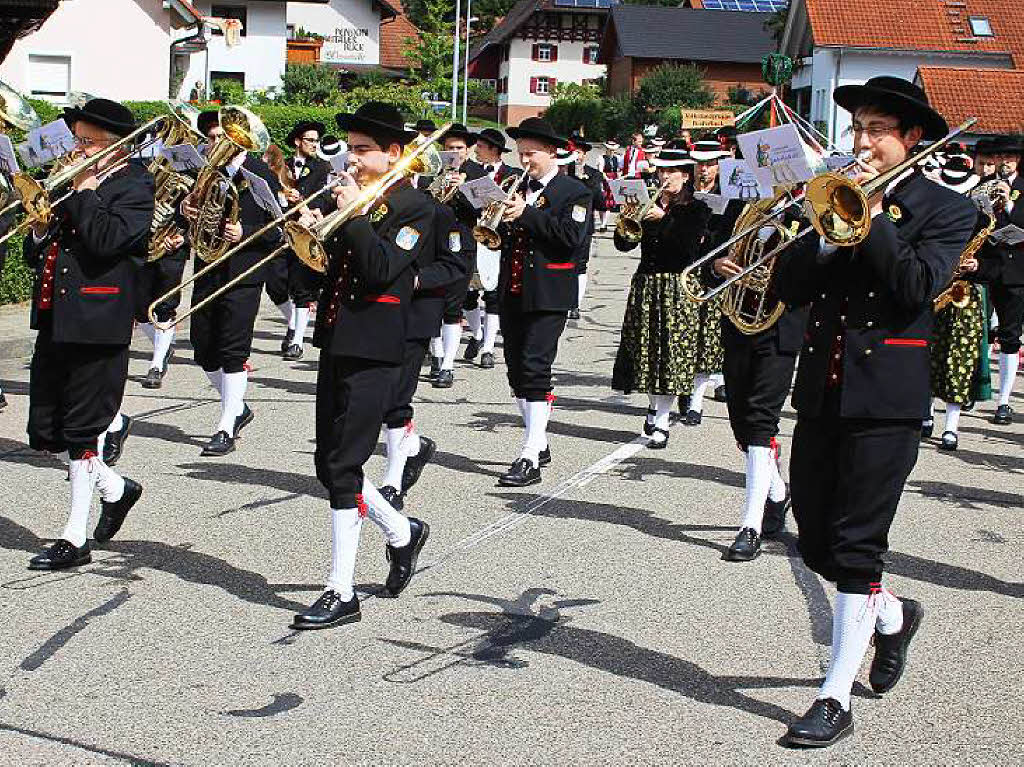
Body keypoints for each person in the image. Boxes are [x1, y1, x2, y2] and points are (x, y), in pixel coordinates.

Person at [772, 76, 976, 747]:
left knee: (858, 545)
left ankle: (833, 694)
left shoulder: (945, 209)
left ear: (910, 139)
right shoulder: (831, 195)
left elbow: (918, 284)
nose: (861, 142)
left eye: (876, 130)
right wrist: (827, 233)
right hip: (822, 391)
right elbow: (787, 284)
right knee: (816, 540)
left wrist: (870, 217)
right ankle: (891, 615)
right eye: (857, 128)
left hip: (886, 398)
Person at [294, 102, 433, 630]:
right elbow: (325, 273)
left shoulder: (415, 208)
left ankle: (341, 590)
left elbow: (379, 270)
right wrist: (310, 235)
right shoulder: (357, 200)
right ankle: (401, 532)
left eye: (361, 150)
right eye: (349, 149)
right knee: (329, 463)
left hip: (376, 346)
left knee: (345, 463)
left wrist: (351, 215)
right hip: (337, 338)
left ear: (393, 153)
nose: (350, 160)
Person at [24, 98, 153, 570]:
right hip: (57, 317)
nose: (75, 150)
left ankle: (74, 537)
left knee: (81, 431)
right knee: (46, 431)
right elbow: (36, 251)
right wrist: (39, 229)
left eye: (85, 142)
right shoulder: (77, 184)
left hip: (99, 323)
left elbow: (105, 241)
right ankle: (116, 489)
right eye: (75, 140)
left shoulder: (136, 186)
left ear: (114, 146)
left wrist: (83, 190)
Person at [493, 117, 591, 487]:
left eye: (531, 154)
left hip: (549, 291)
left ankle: (530, 454)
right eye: (521, 154)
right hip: (513, 288)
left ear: (551, 152)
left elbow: (571, 236)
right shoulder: (516, 186)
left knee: (535, 367)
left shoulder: (574, 191)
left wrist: (528, 214)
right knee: (516, 369)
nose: (525, 161)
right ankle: (540, 439)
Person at [709, 199, 809, 560]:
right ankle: (777, 492)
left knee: (759, 422)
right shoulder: (742, 207)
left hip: (780, 328)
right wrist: (717, 266)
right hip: (739, 324)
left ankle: (749, 526)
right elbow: (711, 255)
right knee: (741, 425)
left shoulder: (811, 212)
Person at [183, 110, 283, 457]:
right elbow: (193, 223)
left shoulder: (259, 175)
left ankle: (226, 425)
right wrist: (187, 211)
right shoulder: (203, 175)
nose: (212, 145)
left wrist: (246, 233)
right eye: (210, 139)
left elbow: (281, 231)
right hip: (208, 267)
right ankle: (237, 407)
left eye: (218, 139)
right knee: (203, 346)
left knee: (232, 348)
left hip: (243, 272)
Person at [611, 143, 711, 449]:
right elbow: (624, 246)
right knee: (647, 353)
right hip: (646, 285)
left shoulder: (697, 209)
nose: (665, 177)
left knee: (669, 356)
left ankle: (662, 419)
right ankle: (654, 408)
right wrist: (627, 221)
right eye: (662, 171)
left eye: (671, 172)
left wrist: (663, 219)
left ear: (684, 175)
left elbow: (689, 248)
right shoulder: (647, 203)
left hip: (677, 287)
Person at [378, 196, 467, 510]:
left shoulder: (438, 212)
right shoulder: (366, 203)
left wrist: (417, 279)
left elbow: (455, 262)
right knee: (373, 398)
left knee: (396, 399)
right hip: (367, 315)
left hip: (413, 315)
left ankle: (392, 479)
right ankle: (414, 448)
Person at [928, 154, 990, 450]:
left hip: (964, 293)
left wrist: (978, 265)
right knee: (926, 354)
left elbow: (999, 257)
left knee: (959, 360)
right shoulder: (929, 209)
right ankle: (925, 414)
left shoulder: (980, 215)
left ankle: (951, 426)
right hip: (931, 288)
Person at [681, 137, 736, 418]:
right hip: (684, 269)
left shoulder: (730, 194)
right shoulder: (685, 192)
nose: (704, 170)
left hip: (714, 271)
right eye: (700, 164)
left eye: (710, 164)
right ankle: (681, 392)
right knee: (684, 336)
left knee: (708, 338)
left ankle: (697, 399)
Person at [430, 123, 483, 389]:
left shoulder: (476, 172)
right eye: (449, 148)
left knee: (453, 306)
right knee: (431, 305)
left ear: (468, 149)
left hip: (463, 244)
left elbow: (483, 209)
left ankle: (448, 365)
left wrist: (464, 188)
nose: (454, 153)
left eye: (459, 148)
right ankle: (436, 356)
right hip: (433, 244)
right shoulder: (433, 169)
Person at [464, 127, 522, 369]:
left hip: (500, 238)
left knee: (493, 296)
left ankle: (488, 348)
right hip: (474, 233)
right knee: (467, 294)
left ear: (494, 150)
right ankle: (477, 334)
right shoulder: (470, 172)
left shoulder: (513, 174)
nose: (476, 150)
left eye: (480, 146)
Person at [979, 135, 1023, 425]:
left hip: (1017, 271)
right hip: (986, 267)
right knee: (976, 332)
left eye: (1010, 157)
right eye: (1000, 157)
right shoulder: (982, 187)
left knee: (1009, 335)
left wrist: (1007, 206)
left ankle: (1004, 401)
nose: (1004, 162)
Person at [279, 119, 331, 361]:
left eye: (316, 140)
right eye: (310, 140)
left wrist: (311, 209)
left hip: (307, 229)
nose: (314, 144)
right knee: (276, 283)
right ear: (298, 142)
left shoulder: (322, 167)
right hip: (282, 230)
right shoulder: (282, 165)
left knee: (302, 288)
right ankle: (292, 323)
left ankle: (297, 340)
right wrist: (283, 197)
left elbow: (324, 196)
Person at [567, 133, 604, 319]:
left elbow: (600, 202)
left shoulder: (594, 174)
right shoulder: (563, 170)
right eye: (573, 152)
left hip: (584, 226)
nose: (576, 156)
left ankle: (576, 304)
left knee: (580, 265)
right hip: (563, 224)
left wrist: (587, 181)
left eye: (579, 153)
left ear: (584, 155)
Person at [598, 140, 621, 232]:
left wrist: (618, 178)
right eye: (610, 150)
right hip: (604, 181)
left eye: (613, 150)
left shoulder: (616, 158)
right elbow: (600, 171)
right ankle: (602, 222)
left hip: (613, 181)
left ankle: (604, 224)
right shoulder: (601, 158)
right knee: (602, 203)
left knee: (609, 203)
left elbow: (618, 170)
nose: (611, 151)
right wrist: (606, 179)